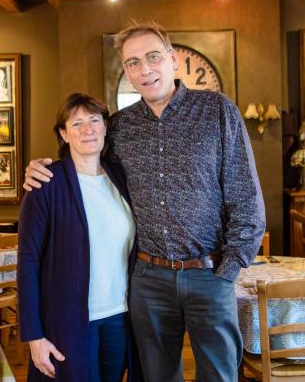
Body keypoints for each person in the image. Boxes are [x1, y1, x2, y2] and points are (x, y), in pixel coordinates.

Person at [24, 21, 266, 381]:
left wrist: (227, 272)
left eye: (153, 57)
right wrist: (42, 168)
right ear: (127, 71)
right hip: (148, 281)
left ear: (172, 60)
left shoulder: (217, 110)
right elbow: (86, 161)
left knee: (220, 375)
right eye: (133, 62)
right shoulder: (120, 126)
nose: (145, 69)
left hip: (209, 274)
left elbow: (246, 197)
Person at [18, 93, 139, 381]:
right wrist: (34, 335)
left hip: (119, 316)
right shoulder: (46, 182)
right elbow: (28, 261)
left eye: (94, 120)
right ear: (63, 134)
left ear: (105, 126)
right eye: (77, 124)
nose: (88, 130)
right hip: (69, 319)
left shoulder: (122, 178)